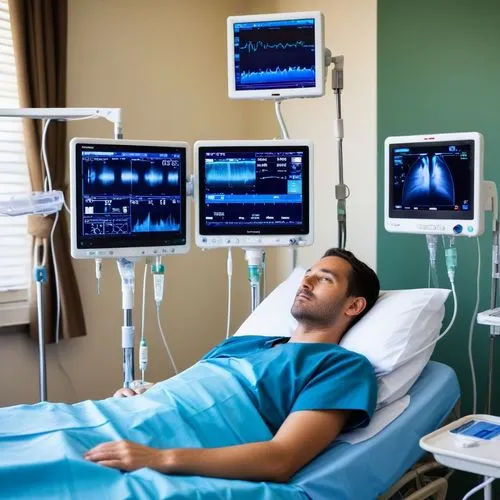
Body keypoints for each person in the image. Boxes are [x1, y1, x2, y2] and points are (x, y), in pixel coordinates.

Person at [84, 248, 380, 483]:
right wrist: (147, 392)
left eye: (325, 278)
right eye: (309, 273)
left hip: (166, 445)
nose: (306, 281)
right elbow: (192, 388)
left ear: (353, 306)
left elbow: (281, 459)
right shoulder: (245, 343)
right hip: (125, 415)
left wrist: (159, 459)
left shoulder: (342, 368)